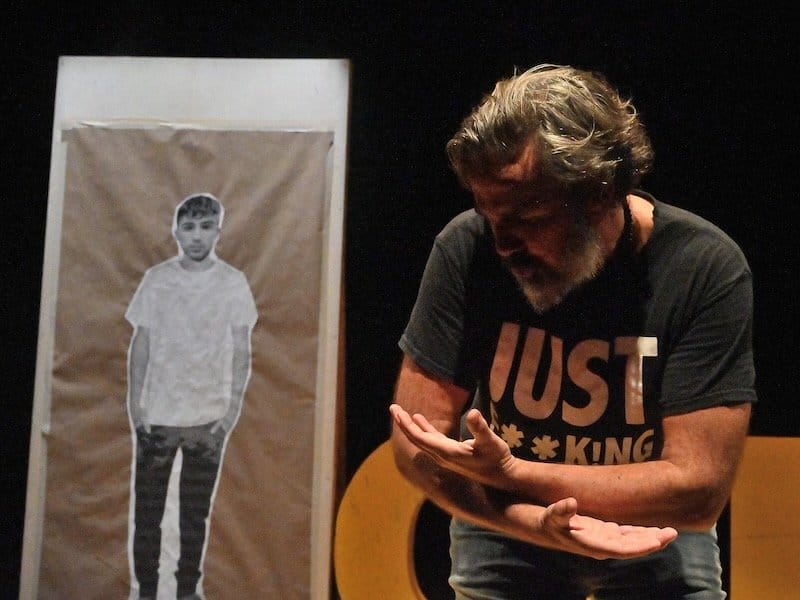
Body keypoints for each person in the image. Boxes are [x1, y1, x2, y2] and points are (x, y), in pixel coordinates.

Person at [390, 64, 755, 599]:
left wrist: (512, 470)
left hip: (652, 526)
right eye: (489, 215)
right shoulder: (465, 249)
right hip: (506, 518)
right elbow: (415, 444)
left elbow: (698, 491)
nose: (502, 244)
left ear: (601, 192)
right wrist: (531, 520)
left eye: (528, 218)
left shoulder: (702, 267)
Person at [126, 193, 258, 600]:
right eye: (188, 227)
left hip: (208, 420)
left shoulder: (232, 283)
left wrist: (230, 412)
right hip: (158, 417)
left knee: (194, 514)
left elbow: (241, 351)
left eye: (205, 227)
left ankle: (187, 590)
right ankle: (146, 591)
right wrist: (135, 406)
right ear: (176, 231)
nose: (197, 236)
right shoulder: (157, 280)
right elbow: (141, 343)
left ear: (218, 231)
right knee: (147, 514)